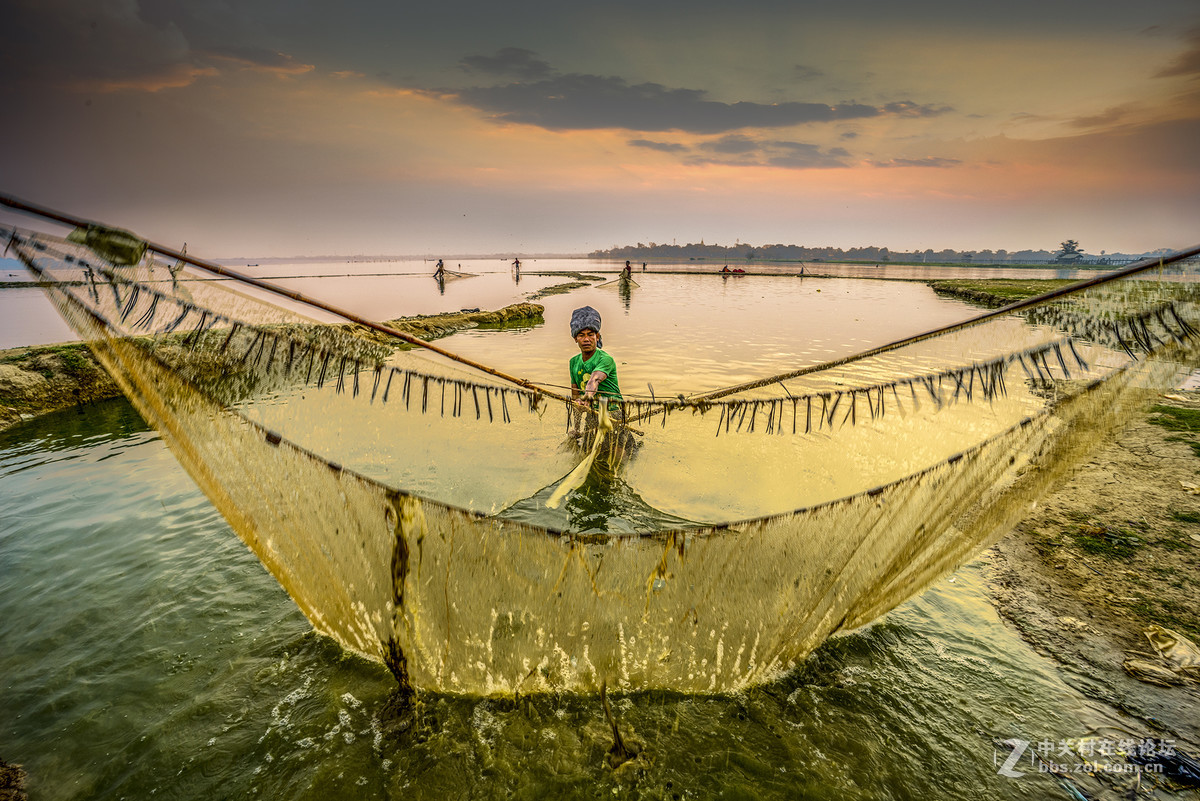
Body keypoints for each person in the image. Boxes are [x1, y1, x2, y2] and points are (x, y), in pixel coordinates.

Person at [569, 306, 622, 439]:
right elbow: (575, 399)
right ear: (575, 338)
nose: (586, 339)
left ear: (597, 337)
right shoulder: (573, 362)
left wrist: (588, 396)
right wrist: (576, 429)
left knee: (620, 454)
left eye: (590, 335)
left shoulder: (605, 359)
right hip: (592, 414)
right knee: (585, 451)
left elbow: (594, 380)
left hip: (613, 414)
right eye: (581, 335)